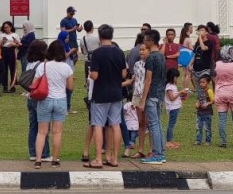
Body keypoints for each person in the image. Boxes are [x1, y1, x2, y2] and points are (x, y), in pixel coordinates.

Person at [84, 24, 126, 169]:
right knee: (115, 124)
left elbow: (94, 75)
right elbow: (124, 74)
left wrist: (90, 73)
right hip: (116, 93)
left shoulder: (97, 53)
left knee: (98, 125)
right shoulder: (120, 52)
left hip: (101, 93)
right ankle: (114, 157)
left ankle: (98, 158)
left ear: (99, 36)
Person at [33, 40, 74, 169]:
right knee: (57, 132)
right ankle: (55, 160)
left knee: (41, 132)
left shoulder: (43, 66)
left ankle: (38, 160)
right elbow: (70, 87)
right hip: (60, 100)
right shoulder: (67, 67)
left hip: (45, 99)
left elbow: (34, 83)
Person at [139, 29, 167, 165]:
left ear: (151, 41)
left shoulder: (151, 57)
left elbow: (148, 80)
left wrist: (143, 99)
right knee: (158, 123)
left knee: (153, 124)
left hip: (152, 95)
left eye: (145, 40)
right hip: (160, 94)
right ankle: (161, 152)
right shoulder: (161, 56)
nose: (144, 42)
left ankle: (157, 154)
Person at [214, 46, 233, 148]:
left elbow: (216, 77)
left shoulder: (217, 64)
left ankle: (223, 142)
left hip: (221, 92)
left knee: (222, 119)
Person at [25, 40, 50, 162]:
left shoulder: (29, 63)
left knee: (33, 126)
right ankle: (44, 153)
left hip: (30, 97)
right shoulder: (41, 65)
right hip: (39, 97)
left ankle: (32, 152)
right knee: (43, 128)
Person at [128, 42, 149, 159]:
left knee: (149, 123)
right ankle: (140, 149)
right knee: (140, 122)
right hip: (137, 94)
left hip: (147, 95)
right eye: (140, 50)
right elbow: (135, 79)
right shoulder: (137, 64)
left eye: (144, 49)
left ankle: (152, 149)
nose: (141, 52)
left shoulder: (151, 64)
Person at [165, 68, 187, 149]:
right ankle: (168, 141)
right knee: (171, 124)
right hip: (172, 108)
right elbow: (171, 98)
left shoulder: (173, 85)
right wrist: (180, 92)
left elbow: (175, 95)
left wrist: (182, 96)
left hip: (176, 107)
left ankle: (170, 140)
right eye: (176, 77)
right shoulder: (169, 86)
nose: (176, 79)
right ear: (172, 77)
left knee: (172, 124)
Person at [0, 21, 21, 93]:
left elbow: (19, 44)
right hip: (4, 51)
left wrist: (13, 44)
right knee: (4, 69)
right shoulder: (1, 35)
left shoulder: (15, 35)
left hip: (12, 51)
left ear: (11, 27)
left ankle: (12, 86)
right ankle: (4, 86)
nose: (6, 29)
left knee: (12, 69)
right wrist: (2, 42)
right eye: (4, 27)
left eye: (7, 27)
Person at [194, 75, 214, 146]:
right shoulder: (199, 91)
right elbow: (198, 100)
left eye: (203, 82)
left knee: (207, 127)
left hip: (207, 113)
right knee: (198, 127)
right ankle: (198, 140)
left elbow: (213, 100)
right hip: (199, 112)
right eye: (200, 82)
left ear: (207, 83)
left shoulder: (209, 91)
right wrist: (196, 104)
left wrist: (208, 103)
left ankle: (208, 140)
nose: (201, 84)